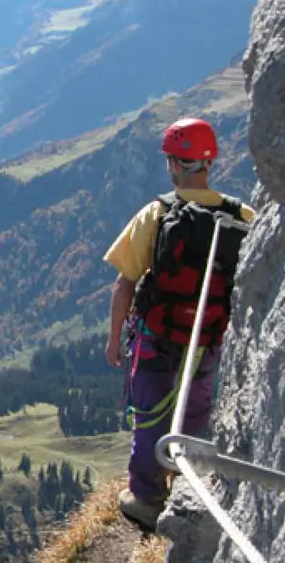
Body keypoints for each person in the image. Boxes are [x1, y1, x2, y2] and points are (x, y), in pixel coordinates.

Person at [103, 117, 255, 530]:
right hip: (208, 338)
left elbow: (124, 284)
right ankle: (188, 486)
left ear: (172, 163)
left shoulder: (157, 213)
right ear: (210, 162)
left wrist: (114, 339)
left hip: (156, 336)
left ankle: (147, 499)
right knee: (195, 411)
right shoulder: (240, 216)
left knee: (149, 414)